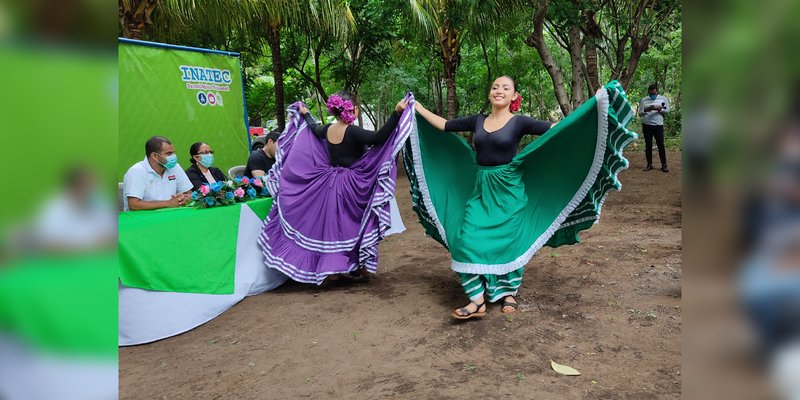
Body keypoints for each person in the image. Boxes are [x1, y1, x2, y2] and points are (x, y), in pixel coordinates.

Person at [408, 76, 637, 319]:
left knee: (509, 240)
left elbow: (560, 128)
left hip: (508, 191)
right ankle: (477, 299)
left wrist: (593, 104)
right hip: (482, 189)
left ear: (513, 96)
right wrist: (417, 107)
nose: (499, 91)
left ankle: (508, 293)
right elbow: (444, 125)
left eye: (505, 88)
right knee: (466, 238)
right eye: (495, 87)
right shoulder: (478, 120)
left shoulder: (519, 123)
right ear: (490, 93)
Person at [258, 91, 411, 285]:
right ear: (352, 108)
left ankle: (333, 271)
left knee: (333, 228)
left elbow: (313, 128)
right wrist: (396, 113)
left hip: (329, 184)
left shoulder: (328, 129)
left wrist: (306, 113)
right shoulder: (352, 131)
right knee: (351, 226)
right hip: (351, 185)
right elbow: (379, 137)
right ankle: (358, 266)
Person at [123, 136, 192, 211]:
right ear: (154, 156)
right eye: (169, 153)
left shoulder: (175, 167)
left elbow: (189, 193)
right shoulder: (136, 171)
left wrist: (184, 199)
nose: (173, 156)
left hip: (170, 216)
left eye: (173, 152)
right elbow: (134, 205)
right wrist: (168, 203)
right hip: (142, 220)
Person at [638, 83, 670, 172]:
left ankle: (664, 164)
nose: (652, 95)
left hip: (658, 125)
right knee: (648, 145)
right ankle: (649, 164)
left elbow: (667, 111)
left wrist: (660, 110)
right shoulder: (644, 100)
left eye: (654, 94)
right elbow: (640, 113)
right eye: (650, 94)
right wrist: (646, 110)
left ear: (657, 92)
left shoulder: (663, 99)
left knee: (661, 145)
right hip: (647, 125)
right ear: (648, 93)